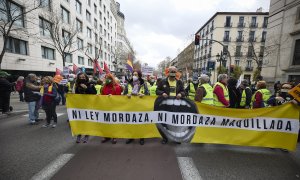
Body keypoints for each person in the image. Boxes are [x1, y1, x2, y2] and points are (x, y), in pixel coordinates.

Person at [156, 66, 185, 144]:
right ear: (168, 72)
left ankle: (176, 138)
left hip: (176, 105)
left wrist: (180, 94)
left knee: (175, 122)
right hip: (165, 105)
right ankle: (165, 138)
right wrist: (162, 93)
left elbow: (184, 92)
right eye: (171, 71)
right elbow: (157, 90)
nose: (173, 73)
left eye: (174, 71)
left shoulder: (179, 82)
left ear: (176, 73)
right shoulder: (162, 81)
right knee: (165, 122)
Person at [124, 70, 149, 145]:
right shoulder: (128, 83)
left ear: (139, 76)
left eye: (136, 74)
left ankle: (141, 137)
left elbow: (147, 93)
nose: (134, 76)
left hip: (141, 106)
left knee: (141, 122)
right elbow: (124, 93)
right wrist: (126, 95)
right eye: (133, 74)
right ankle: (131, 137)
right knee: (131, 122)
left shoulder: (143, 83)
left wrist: (143, 94)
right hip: (131, 106)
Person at [75, 72, 97, 143]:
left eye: (83, 77)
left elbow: (94, 93)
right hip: (80, 106)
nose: (82, 78)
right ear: (78, 78)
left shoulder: (90, 85)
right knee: (80, 121)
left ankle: (87, 135)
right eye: (80, 77)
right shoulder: (77, 86)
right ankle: (79, 134)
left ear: (86, 78)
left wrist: (86, 88)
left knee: (88, 121)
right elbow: (76, 95)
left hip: (89, 106)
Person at [101, 73, 122, 144]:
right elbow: (102, 96)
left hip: (114, 108)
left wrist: (112, 97)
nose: (107, 80)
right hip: (105, 108)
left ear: (112, 79)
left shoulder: (117, 87)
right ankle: (106, 136)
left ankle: (114, 136)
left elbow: (119, 98)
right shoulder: (103, 87)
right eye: (106, 78)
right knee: (106, 122)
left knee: (114, 122)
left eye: (108, 78)